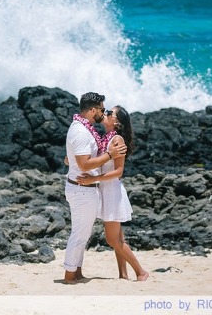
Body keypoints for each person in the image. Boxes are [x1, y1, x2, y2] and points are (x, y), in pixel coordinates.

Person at [79, 105, 149, 281]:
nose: (105, 113)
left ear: (117, 122)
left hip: (112, 192)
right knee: (118, 238)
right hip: (106, 190)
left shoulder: (117, 140)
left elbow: (118, 172)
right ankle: (123, 275)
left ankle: (141, 272)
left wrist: (92, 179)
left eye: (110, 113)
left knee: (112, 240)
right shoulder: (107, 137)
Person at [63, 92, 127, 284]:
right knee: (80, 234)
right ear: (92, 110)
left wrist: (70, 159)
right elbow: (84, 165)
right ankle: (69, 275)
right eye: (101, 109)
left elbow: (78, 158)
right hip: (82, 189)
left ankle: (76, 272)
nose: (103, 113)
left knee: (83, 234)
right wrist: (110, 154)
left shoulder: (83, 128)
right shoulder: (82, 132)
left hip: (84, 188)